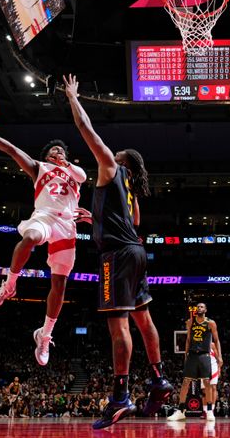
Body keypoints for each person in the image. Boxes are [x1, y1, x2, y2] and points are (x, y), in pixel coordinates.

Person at [63, 73, 172, 429]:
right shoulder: (130, 188)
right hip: (136, 252)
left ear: (119, 159)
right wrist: (95, 217)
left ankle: (120, 396)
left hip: (116, 256)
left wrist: (73, 97)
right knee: (144, 319)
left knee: (118, 326)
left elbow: (86, 128)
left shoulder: (110, 165)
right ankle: (158, 379)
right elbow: (134, 222)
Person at [0, 111, 87, 366]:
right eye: (53, 150)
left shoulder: (74, 173)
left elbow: (83, 176)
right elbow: (11, 149)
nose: (58, 152)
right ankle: (9, 286)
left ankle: (44, 335)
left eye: (61, 150)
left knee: (60, 284)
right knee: (31, 236)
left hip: (66, 225)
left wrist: (65, 164)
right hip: (44, 217)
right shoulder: (39, 167)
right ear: (46, 157)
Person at [168, 303, 223, 421]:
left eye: (202, 307)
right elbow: (188, 339)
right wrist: (185, 354)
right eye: (198, 307)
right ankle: (181, 411)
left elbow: (217, 340)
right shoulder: (190, 322)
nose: (199, 308)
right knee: (185, 382)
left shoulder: (210, 323)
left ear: (206, 310)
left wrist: (220, 357)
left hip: (204, 355)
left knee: (207, 383)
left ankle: (209, 411)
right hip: (192, 355)